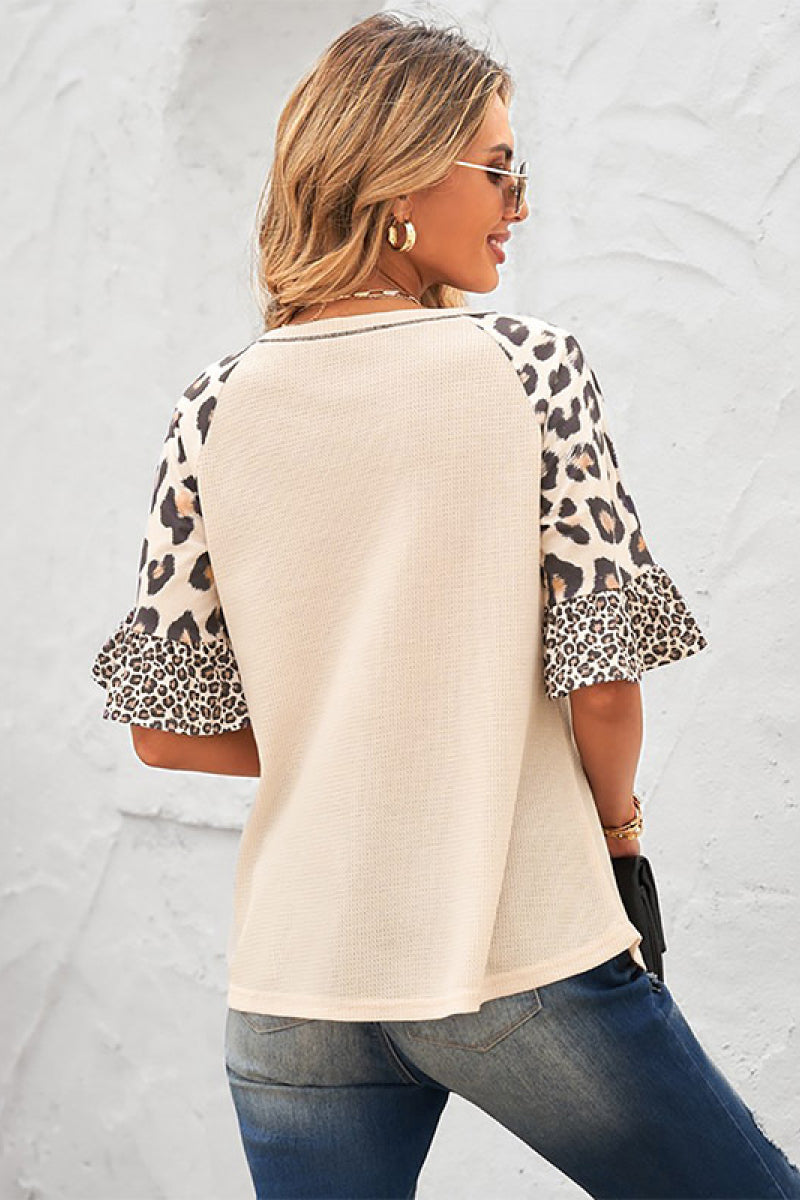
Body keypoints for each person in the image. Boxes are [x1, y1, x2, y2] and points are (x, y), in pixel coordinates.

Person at [90, 11, 800, 1199]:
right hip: (513, 946)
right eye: (500, 169)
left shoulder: (211, 405)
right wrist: (615, 833)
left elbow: (167, 732)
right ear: (402, 176)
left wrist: (348, 734)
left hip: (293, 983)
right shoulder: (530, 368)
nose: (518, 204)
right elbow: (601, 680)